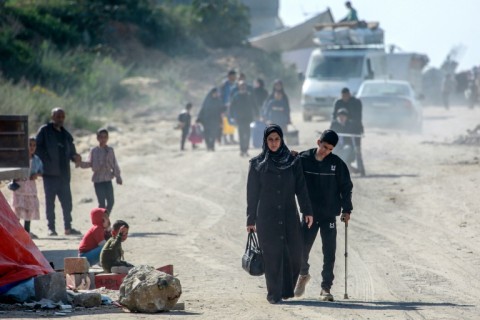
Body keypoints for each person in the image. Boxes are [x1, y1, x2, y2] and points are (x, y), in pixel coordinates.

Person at [246, 124, 314, 304]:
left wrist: (307, 210)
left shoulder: (293, 161)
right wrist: (250, 219)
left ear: (282, 140)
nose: (274, 143)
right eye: (270, 139)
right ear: (265, 141)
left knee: (295, 253)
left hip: (289, 213)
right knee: (272, 255)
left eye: (277, 139)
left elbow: (301, 187)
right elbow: (252, 194)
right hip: (266, 216)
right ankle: (274, 294)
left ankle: (287, 290)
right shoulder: (257, 164)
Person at [294, 130, 353, 302]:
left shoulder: (337, 164)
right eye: (324, 147)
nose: (325, 151)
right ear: (318, 142)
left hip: (329, 215)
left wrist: (346, 210)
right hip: (309, 215)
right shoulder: (303, 159)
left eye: (329, 149)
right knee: (301, 250)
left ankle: (325, 288)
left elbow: (346, 187)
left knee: (329, 253)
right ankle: (303, 275)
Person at [35, 108, 82, 236]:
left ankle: (68, 227)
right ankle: (51, 228)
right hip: (50, 174)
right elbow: (36, 148)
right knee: (50, 203)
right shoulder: (44, 131)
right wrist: (44, 161)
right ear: (52, 117)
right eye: (57, 116)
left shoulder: (66, 134)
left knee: (67, 202)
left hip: (64, 174)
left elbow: (72, 153)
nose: (60, 119)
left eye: (62, 116)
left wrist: (76, 157)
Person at [79, 128, 122, 214]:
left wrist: (118, 176)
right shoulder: (94, 151)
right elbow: (89, 163)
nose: (103, 139)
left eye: (105, 137)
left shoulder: (110, 150)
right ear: (97, 138)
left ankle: (104, 219)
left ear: (108, 138)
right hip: (98, 181)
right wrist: (79, 162)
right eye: (101, 137)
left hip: (108, 180)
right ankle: (102, 223)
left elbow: (114, 163)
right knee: (101, 204)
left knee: (111, 202)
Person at [11, 136, 43, 239]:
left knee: (29, 209)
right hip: (20, 187)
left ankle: (26, 231)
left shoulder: (36, 159)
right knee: (18, 209)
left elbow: (41, 171)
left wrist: (36, 175)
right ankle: (16, 232)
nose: (32, 147)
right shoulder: (19, 158)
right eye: (30, 145)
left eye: (34, 145)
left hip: (30, 187)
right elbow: (12, 171)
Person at [332, 87, 365, 176]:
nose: (345, 97)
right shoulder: (338, 102)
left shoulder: (356, 102)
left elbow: (358, 117)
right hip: (340, 130)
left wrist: (352, 126)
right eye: (343, 96)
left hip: (355, 130)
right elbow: (334, 116)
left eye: (346, 96)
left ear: (349, 94)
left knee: (357, 149)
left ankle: (361, 170)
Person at [230, 80, 257, 157]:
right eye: (241, 85)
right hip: (239, 118)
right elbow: (231, 107)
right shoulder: (236, 96)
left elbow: (254, 105)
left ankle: (246, 149)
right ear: (239, 87)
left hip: (248, 118)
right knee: (241, 134)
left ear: (245, 86)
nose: (242, 87)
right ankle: (242, 150)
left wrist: (257, 114)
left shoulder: (249, 95)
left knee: (248, 134)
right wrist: (232, 116)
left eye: (243, 85)